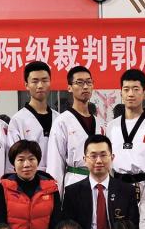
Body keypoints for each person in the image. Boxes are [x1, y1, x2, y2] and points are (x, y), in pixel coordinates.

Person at [61, 134, 139, 229]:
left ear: (112, 158)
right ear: (85, 159)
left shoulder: (127, 191)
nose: (98, 161)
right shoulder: (72, 192)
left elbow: (133, 228)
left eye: (103, 155)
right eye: (93, 156)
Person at [45, 66, 106, 198]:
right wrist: (55, 199)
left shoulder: (99, 123)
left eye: (89, 82)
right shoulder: (62, 122)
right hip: (74, 181)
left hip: (99, 182)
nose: (85, 87)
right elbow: (55, 165)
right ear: (69, 87)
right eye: (79, 82)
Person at [106, 68, 145, 196]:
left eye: (136, 89)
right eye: (126, 89)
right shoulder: (111, 127)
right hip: (119, 185)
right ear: (121, 93)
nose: (130, 94)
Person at [5, 61, 59, 165]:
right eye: (35, 81)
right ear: (27, 85)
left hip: (57, 173)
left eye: (45, 80)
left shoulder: (59, 118)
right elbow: (13, 159)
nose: (40, 85)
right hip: (28, 174)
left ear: (50, 82)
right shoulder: (18, 120)